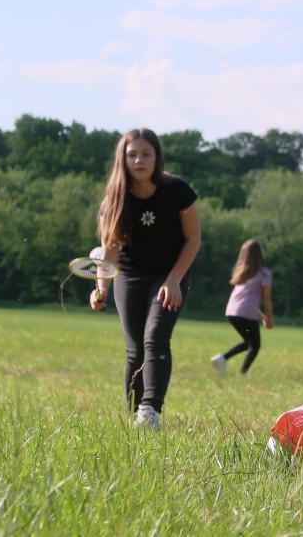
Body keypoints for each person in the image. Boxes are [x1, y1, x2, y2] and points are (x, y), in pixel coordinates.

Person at [91, 128, 201, 431]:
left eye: (145, 153)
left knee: (155, 337)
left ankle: (150, 410)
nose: (139, 160)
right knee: (135, 349)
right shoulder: (114, 200)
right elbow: (109, 254)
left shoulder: (177, 190)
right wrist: (100, 289)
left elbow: (193, 240)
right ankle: (134, 418)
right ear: (123, 160)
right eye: (132, 154)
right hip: (129, 275)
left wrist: (175, 280)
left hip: (170, 274)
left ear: (157, 157)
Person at [211, 239, 274, 375]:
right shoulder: (264, 274)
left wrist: (262, 316)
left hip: (231, 312)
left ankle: (222, 359)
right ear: (260, 254)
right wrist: (269, 318)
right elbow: (266, 299)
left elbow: (246, 301)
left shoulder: (242, 273)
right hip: (245, 313)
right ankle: (242, 374)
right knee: (255, 345)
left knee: (249, 342)